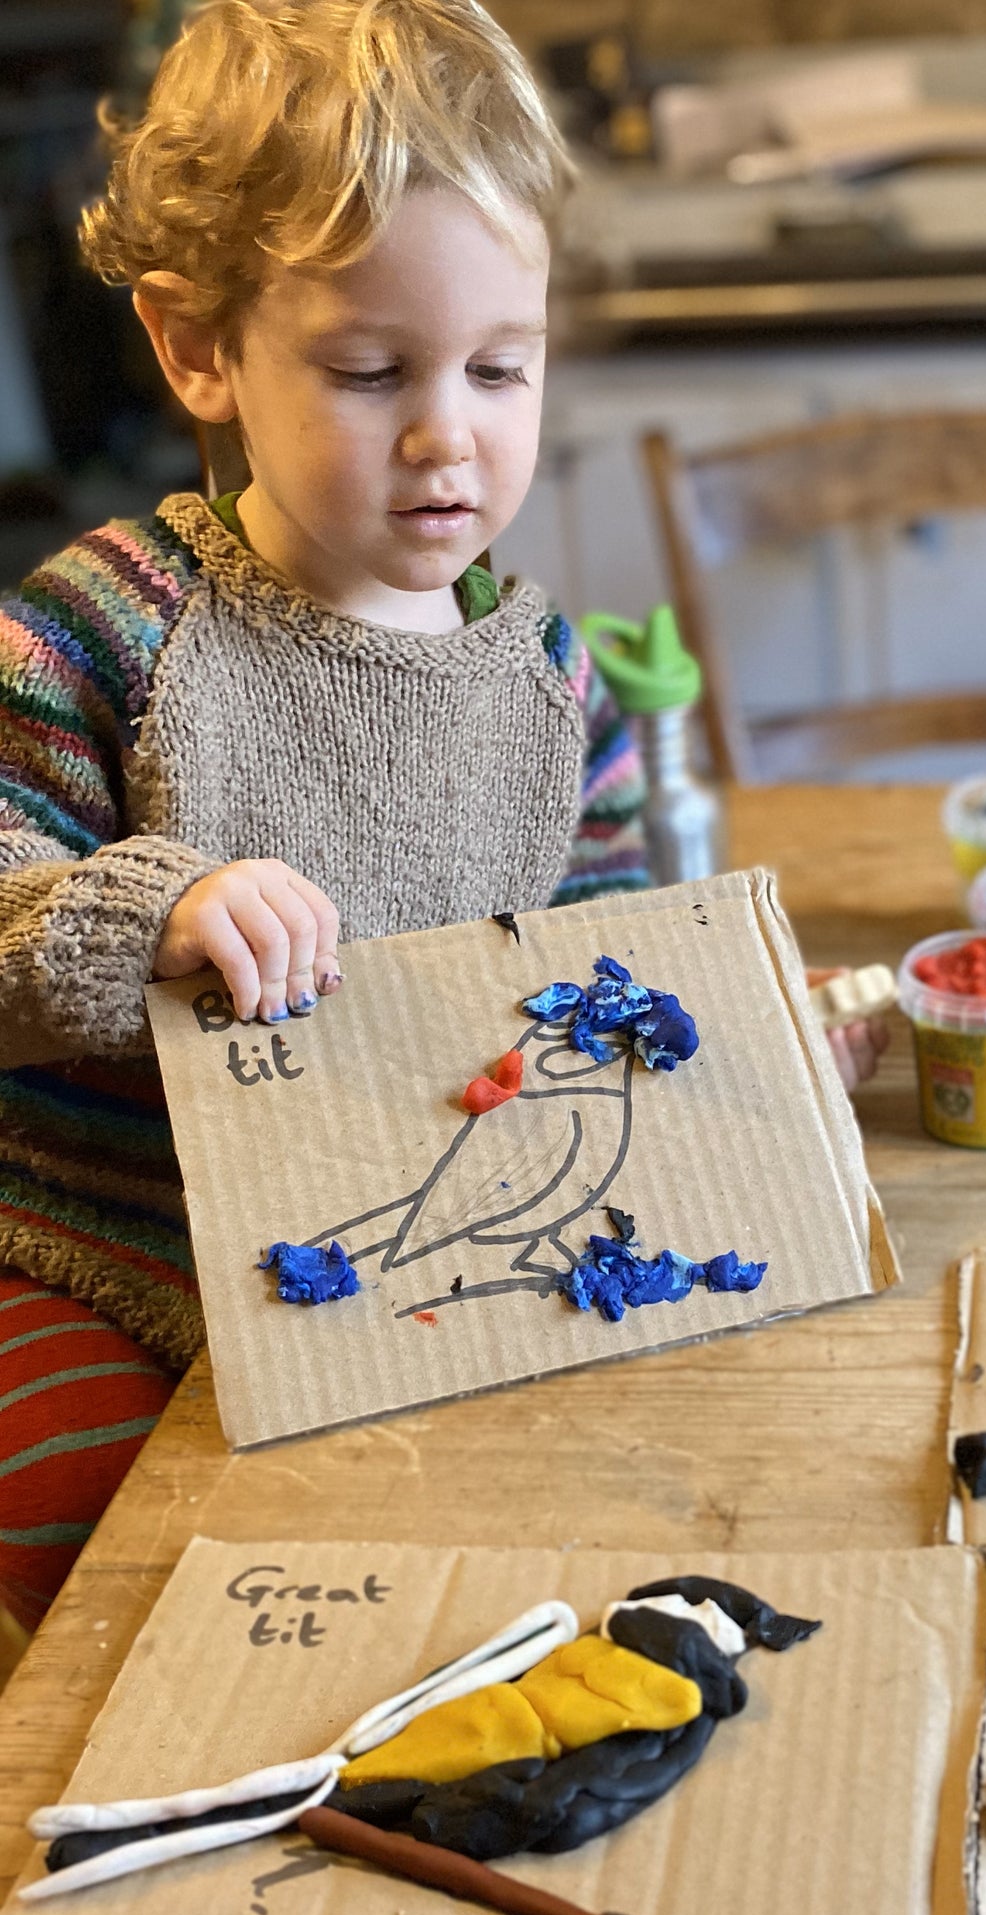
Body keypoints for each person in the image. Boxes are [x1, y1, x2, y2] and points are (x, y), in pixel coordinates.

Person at [0, 0, 882, 1639]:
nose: (446, 436)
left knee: (577, 1510)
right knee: (103, 1550)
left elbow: (596, 968)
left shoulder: (551, 679)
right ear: (199, 347)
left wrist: (731, 1044)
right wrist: (153, 915)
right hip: (99, 1251)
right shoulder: (98, 629)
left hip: (407, 1239)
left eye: (499, 367)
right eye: (366, 370)